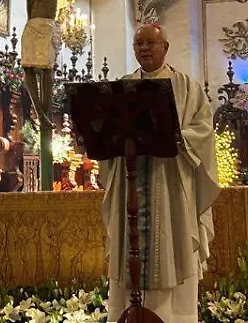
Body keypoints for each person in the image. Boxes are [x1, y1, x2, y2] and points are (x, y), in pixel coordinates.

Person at [100, 23, 220, 323]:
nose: (143, 48)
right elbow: (105, 130)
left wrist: (177, 136)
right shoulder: (121, 87)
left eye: (150, 43)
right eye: (138, 43)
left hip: (169, 185)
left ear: (165, 47)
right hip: (130, 183)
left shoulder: (187, 87)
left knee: (172, 245)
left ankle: (173, 317)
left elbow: (203, 130)